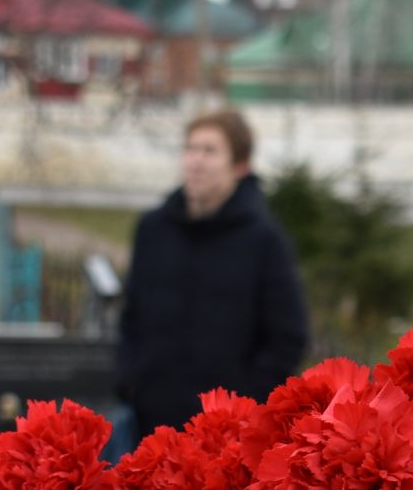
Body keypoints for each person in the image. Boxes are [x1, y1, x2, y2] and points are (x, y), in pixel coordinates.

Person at [115, 110, 310, 438]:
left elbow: (288, 337)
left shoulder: (263, 240)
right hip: (150, 422)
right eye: (190, 149)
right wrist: (129, 382)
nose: (196, 161)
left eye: (210, 151)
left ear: (240, 165)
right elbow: (131, 317)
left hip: (225, 433)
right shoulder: (153, 229)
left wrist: (248, 401)